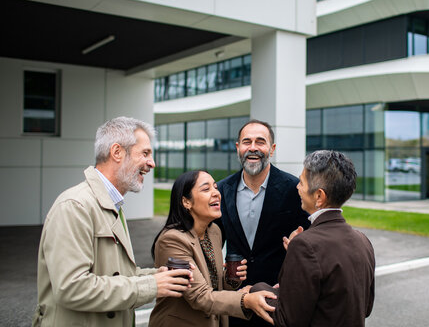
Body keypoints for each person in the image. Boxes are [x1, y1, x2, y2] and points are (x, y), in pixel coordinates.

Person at [33, 117, 193, 327]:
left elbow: (117, 275)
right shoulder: (74, 206)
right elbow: (71, 288)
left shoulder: (111, 204)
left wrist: (157, 275)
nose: (152, 163)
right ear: (117, 152)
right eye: (145, 153)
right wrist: (151, 286)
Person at [251, 150, 376, 327]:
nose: (297, 187)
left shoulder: (304, 245)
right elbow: (365, 307)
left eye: (301, 182)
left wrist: (256, 289)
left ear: (319, 196)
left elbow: (287, 319)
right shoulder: (363, 240)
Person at [149, 170, 276, 327]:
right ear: (186, 202)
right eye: (206, 189)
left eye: (215, 187)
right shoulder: (172, 241)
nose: (216, 193)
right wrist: (245, 300)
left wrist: (230, 278)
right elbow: (200, 296)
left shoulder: (214, 231)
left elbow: (212, 284)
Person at [217, 120, 310, 326]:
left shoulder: (294, 189)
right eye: (246, 142)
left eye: (260, 142)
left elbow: (311, 240)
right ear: (238, 148)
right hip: (236, 300)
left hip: (278, 299)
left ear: (272, 148)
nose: (252, 148)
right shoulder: (221, 190)